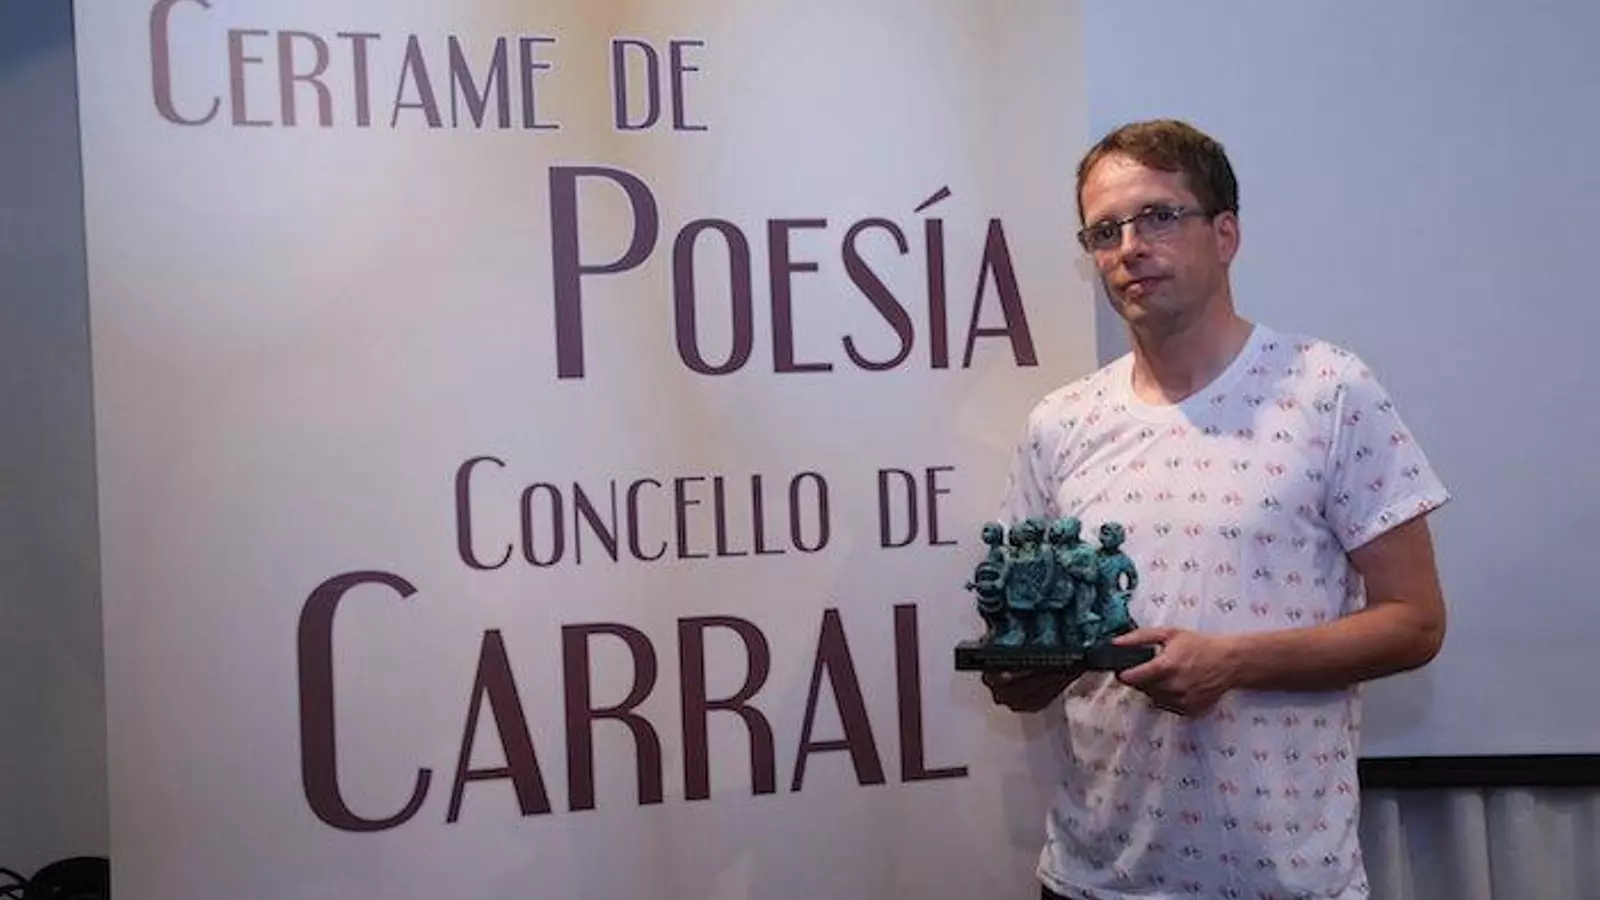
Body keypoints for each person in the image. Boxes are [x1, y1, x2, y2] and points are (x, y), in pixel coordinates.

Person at [983, 119, 1451, 900]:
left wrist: (1231, 662)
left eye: (1158, 216)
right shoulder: (1060, 424)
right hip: (1094, 880)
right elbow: (1024, 645)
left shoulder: (1329, 391)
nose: (1130, 247)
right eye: (1105, 230)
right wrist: (1023, 669)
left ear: (1226, 234)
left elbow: (1416, 622)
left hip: (1283, 881)